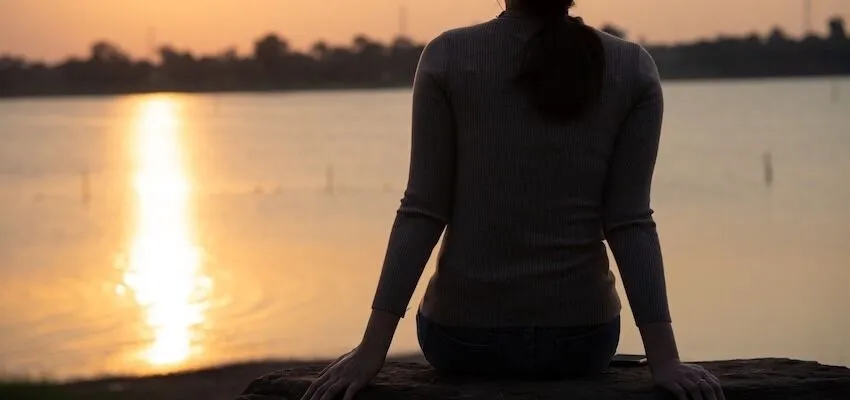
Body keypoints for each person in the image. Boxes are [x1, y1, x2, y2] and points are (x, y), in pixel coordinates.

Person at [302, 1, 725, 400]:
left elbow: (422, 211)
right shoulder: (632, 67)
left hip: (461, 340)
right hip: (581, 341)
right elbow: (630, 222)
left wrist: (371, 350)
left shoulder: (447, 57)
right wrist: (664, 360)